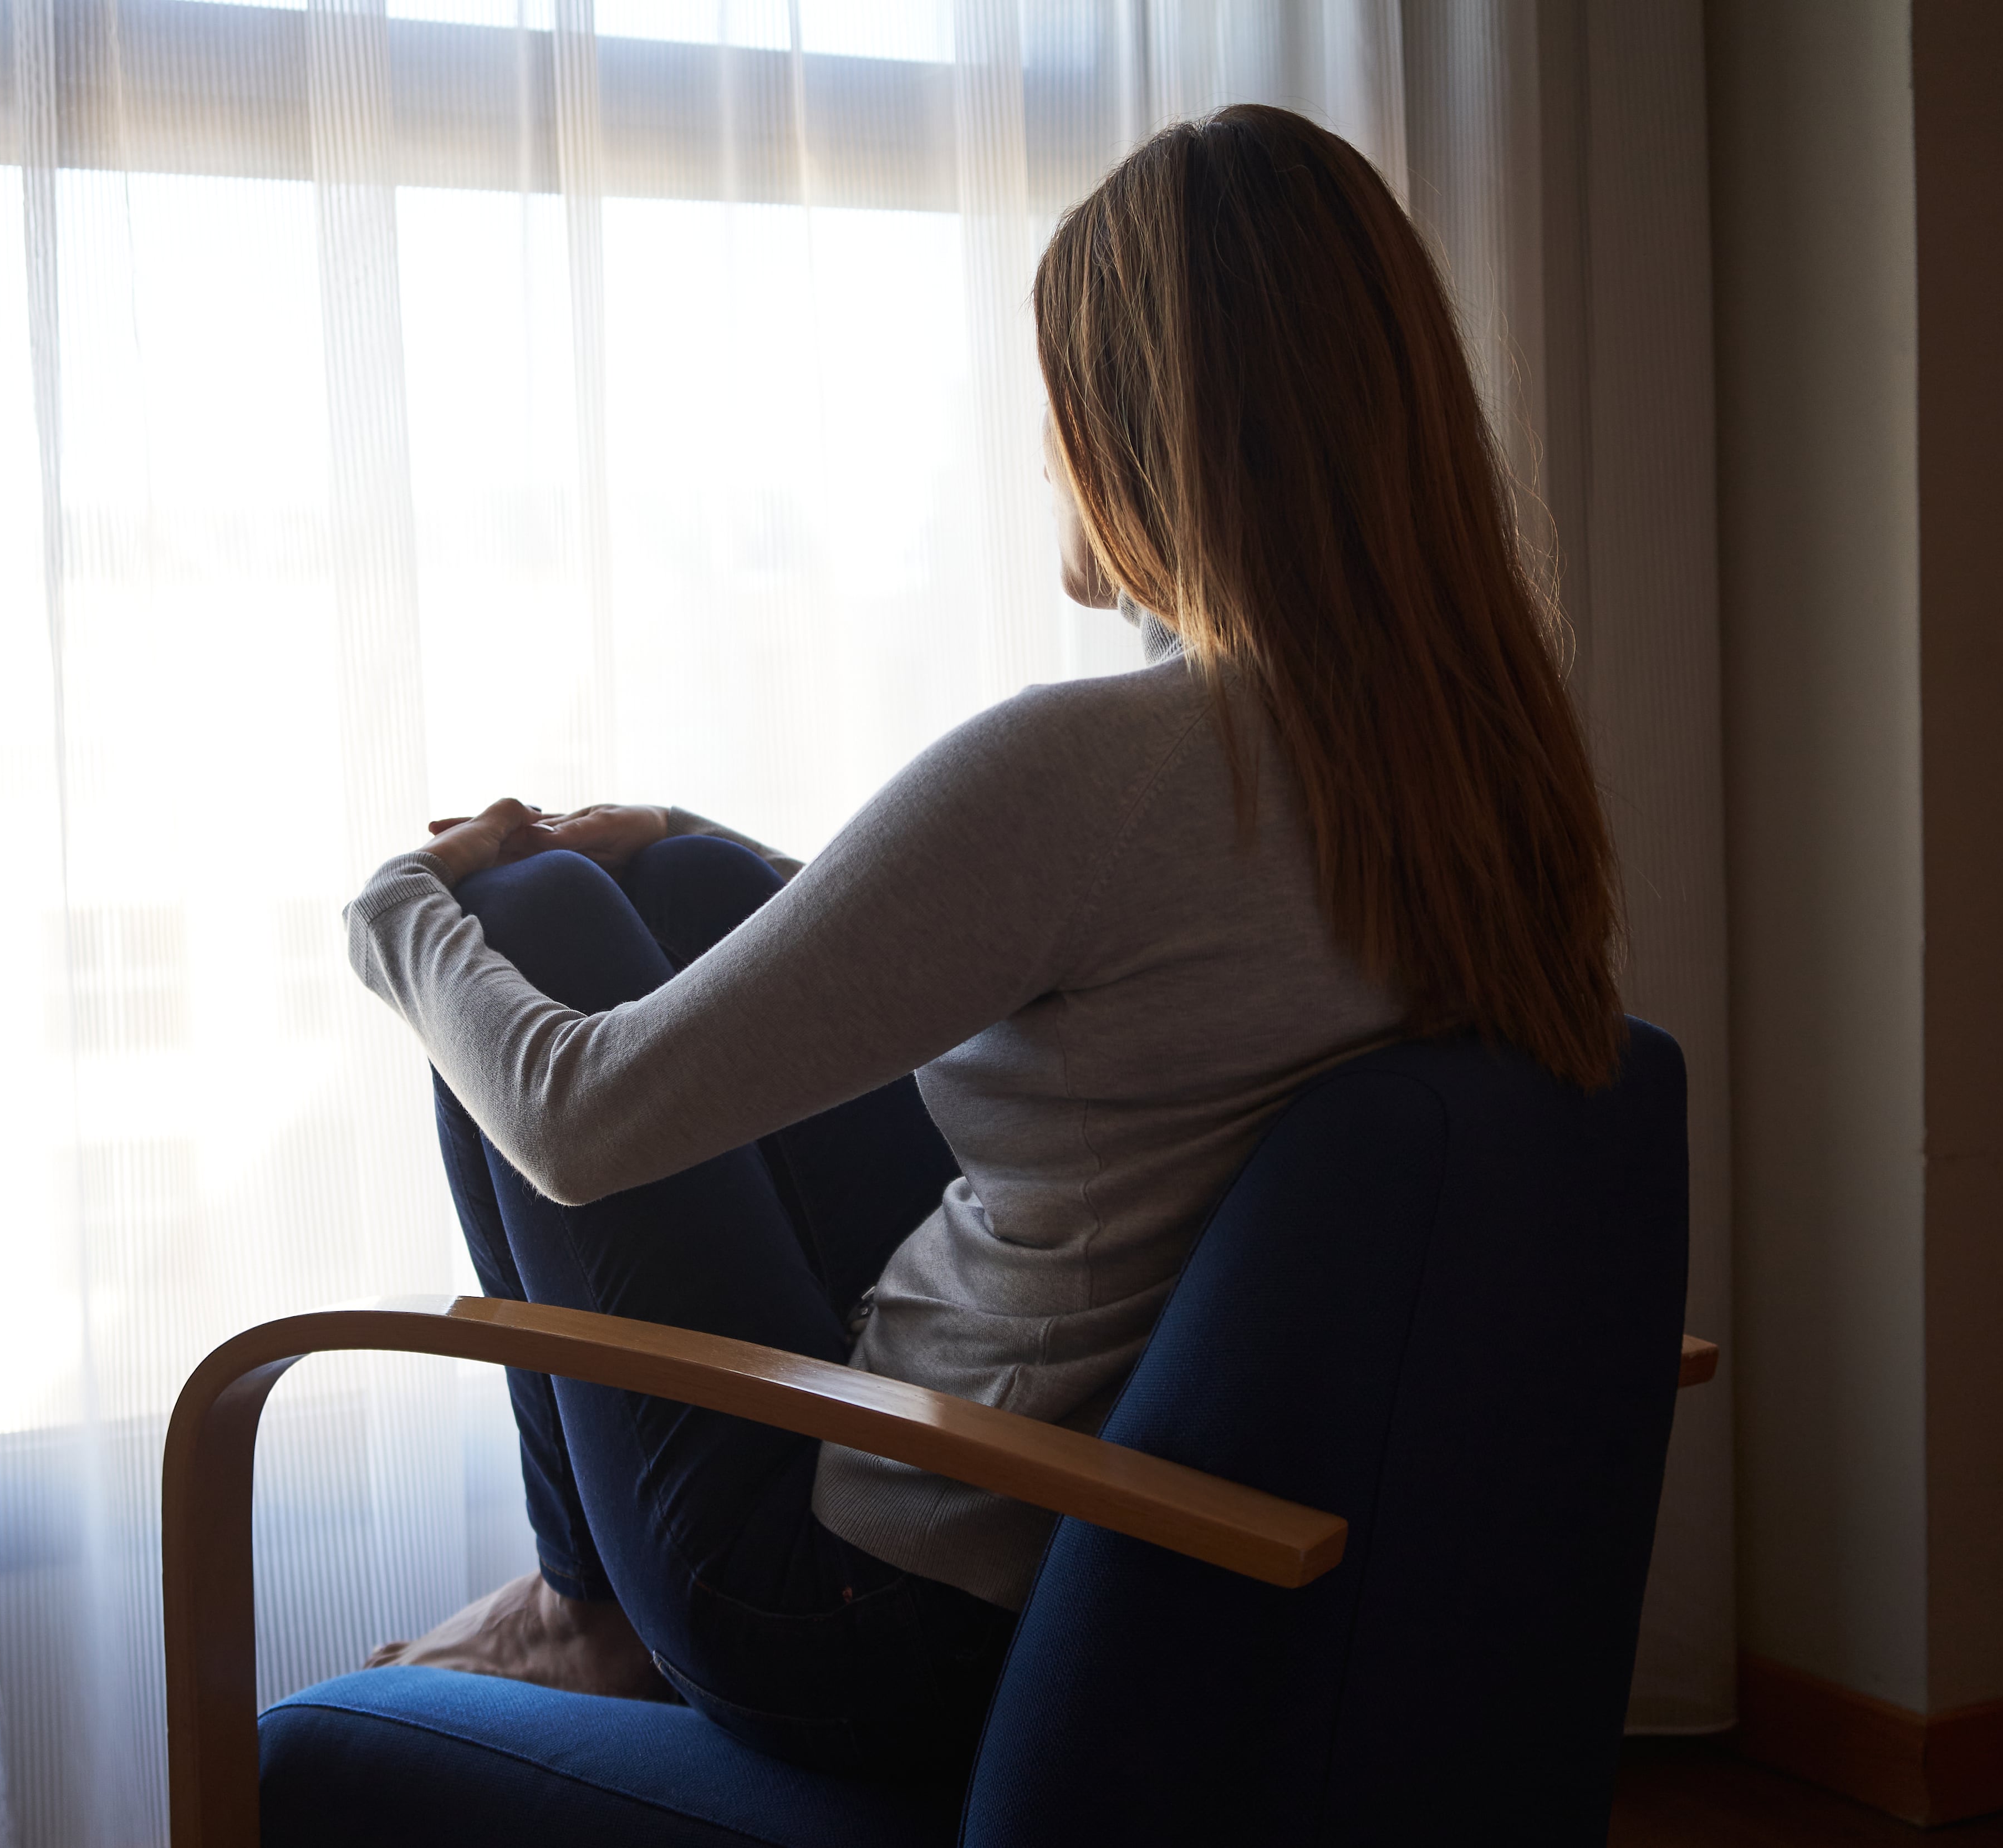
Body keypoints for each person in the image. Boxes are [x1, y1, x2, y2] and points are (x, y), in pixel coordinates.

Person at [340, 103, 1622, 1783]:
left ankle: (593, 1608)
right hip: (1127, 1535)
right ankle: (591, 1594)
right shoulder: (1476, 772)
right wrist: (709, 858)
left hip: (861, 1609)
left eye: (1059, 396)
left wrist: (391, 917)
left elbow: (579, 1124)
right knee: (684, 886)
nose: (1040, 451)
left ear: (1146, 419)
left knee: (526, 916)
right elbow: (1144, 980)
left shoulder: (1110, 762)